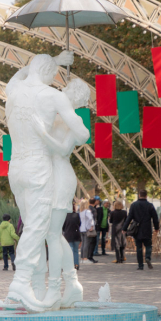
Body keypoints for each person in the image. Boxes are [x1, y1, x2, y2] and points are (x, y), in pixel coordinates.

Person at [4, 50, 88, 311]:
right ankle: (37, 287)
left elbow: (78, 137)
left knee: (45, 231)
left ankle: (50, 288)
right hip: (38, 169)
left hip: (35, 170)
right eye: (55, 77)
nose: (59, 85)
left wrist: (44, 134)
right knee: (39, 230)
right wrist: (56, 62)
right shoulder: (51, 99)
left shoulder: (15, 90)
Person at [29, 77, 90, 308]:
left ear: (76, 97)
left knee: (52, 234)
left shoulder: (74, 121)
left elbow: (64, 150)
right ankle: (72, 284)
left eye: (70, 90)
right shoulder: (54, 116)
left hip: (61, 176)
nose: (64, 92)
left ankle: (56, 288)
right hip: (49, 175)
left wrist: (43, 134)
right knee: (51, 234)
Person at [123, 189, 160, 270]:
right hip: (147, 228)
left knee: (139, 247)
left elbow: (129, 218)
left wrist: (124, 228)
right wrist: (156, 228)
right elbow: (155, 217)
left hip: (137, 230)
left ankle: (140, 266)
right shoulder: (150, 205)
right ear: (146, 196)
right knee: (148, 245)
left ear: (139, 195)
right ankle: (147, 257)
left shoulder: (134, 205)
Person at [62, 202, 81, 270]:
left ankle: (70, 265)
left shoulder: (65, 215)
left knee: (70, 250)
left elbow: (63, 227)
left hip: (68, 234)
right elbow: (79, 224)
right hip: (76, 234)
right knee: (76, 250)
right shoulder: (77, 215)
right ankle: (76, 264)